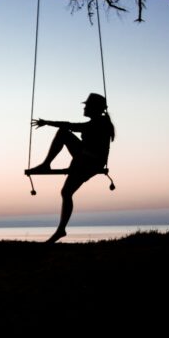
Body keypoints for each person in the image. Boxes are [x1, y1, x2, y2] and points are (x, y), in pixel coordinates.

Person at [28, 93, 115, 243]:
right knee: (66, 192)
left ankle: (46, 164)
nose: (85, 108)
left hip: (89, 162)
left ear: (94, 108)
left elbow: (71, 126)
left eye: (87, 106)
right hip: (84, 160)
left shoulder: (99, 123)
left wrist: (47, 122)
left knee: (63, 132)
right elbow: (74, 127)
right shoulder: (97, 122)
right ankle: (61, 230)